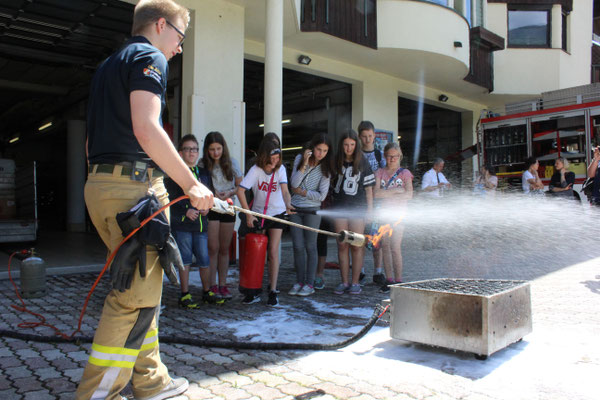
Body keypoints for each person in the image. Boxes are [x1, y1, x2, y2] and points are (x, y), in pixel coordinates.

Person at [77, 1, 213, 399]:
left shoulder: (109, 65)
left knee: (142, 288)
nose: (180, 47)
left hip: (100, 186)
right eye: (180, 36)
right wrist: (191, 185)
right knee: (132, 300)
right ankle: (98, 393)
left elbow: (90, 141)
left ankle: (151, 380)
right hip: (133, 190)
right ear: (160, 25)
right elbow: (146, 127)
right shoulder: (149, 55)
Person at [164, 134, 221, 307]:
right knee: (185, 260)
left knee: (204, 259)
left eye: (194, 149)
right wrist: (185, 211)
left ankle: (207, 292)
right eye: (188, 149)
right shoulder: (174, 175)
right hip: (183, 226)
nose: (191, 153)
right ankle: (185, 294)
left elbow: (209, 195)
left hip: (202, 225)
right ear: (180, 153)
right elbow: (169, 200)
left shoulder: (204, 173)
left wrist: (207, 207)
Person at [236, 137, 294, 306]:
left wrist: (288, 203)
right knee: (257, 251)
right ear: (264, 156)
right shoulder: (255, 170)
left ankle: (273, 290)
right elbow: (241, 191)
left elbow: (284, 191)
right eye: (273, 158)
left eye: (278, 158)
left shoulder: (281, 169)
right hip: (259, 214)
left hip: (277, 213)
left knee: (273, 251)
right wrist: (248, 214)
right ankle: (253, 288)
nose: (276, 162)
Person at [331, 129, 375, 295]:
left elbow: (369, 189)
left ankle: (355, 282)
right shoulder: (336, 161)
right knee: (342, 244)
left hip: (358, 209)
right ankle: (344, 281)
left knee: (356, 246)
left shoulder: (362, 162)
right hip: (340, 208)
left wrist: (370, 211)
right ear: (341, 145)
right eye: (345, 145)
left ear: (356, 145)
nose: (348, 148)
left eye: (351, 145)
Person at [288, 133, 332, 297]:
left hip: (313, 210)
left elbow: (321, 196)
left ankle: (309, 283)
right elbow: (293, 184)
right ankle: (299, 281)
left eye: (325, 151)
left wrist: (303, 192)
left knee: (310, 246)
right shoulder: (300, 158)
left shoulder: (326, 168)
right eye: (319, 149)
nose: (321, 154)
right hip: (295, 209)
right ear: (312, 148)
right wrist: (304, 164)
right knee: (297, 246)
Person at [201, 131, 243, 300]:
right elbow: (200, 186)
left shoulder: (232, 163)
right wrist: (213, 193)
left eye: (218, 148)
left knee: (225, 249)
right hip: (211, 207)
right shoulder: (203, 164)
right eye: (212, 149)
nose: (216, 153)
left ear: (223, 148)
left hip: (228, 207)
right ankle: (211, 285)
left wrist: (229, 192)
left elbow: (241, 186)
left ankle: (223, 285)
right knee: (213, 248)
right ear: (207, 150)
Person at [373, 143, 413, 292]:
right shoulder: (380, 172)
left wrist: (388, 192)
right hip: (384, 214)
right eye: (389, 156)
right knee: (385, 246)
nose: (392, 159)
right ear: (385, 156)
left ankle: (399, 280)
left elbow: (409, 194)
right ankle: (389, 280)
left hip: (399, 215)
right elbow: (376, 193)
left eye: (395, 156)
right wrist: (397, 190)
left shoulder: (405, 173)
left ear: (400, 156)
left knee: (395, 247)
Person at [357, 120, 386, 285]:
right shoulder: (357, 155)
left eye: (370, 136)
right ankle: (360, 271)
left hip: (377, 203)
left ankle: (378, 272)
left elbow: (384, 176)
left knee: (377, 238)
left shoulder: (380, 155)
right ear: (360, 137)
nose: (368, 139)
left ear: (374, 135)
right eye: (364, 136)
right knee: (360, 237)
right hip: (360, 202)